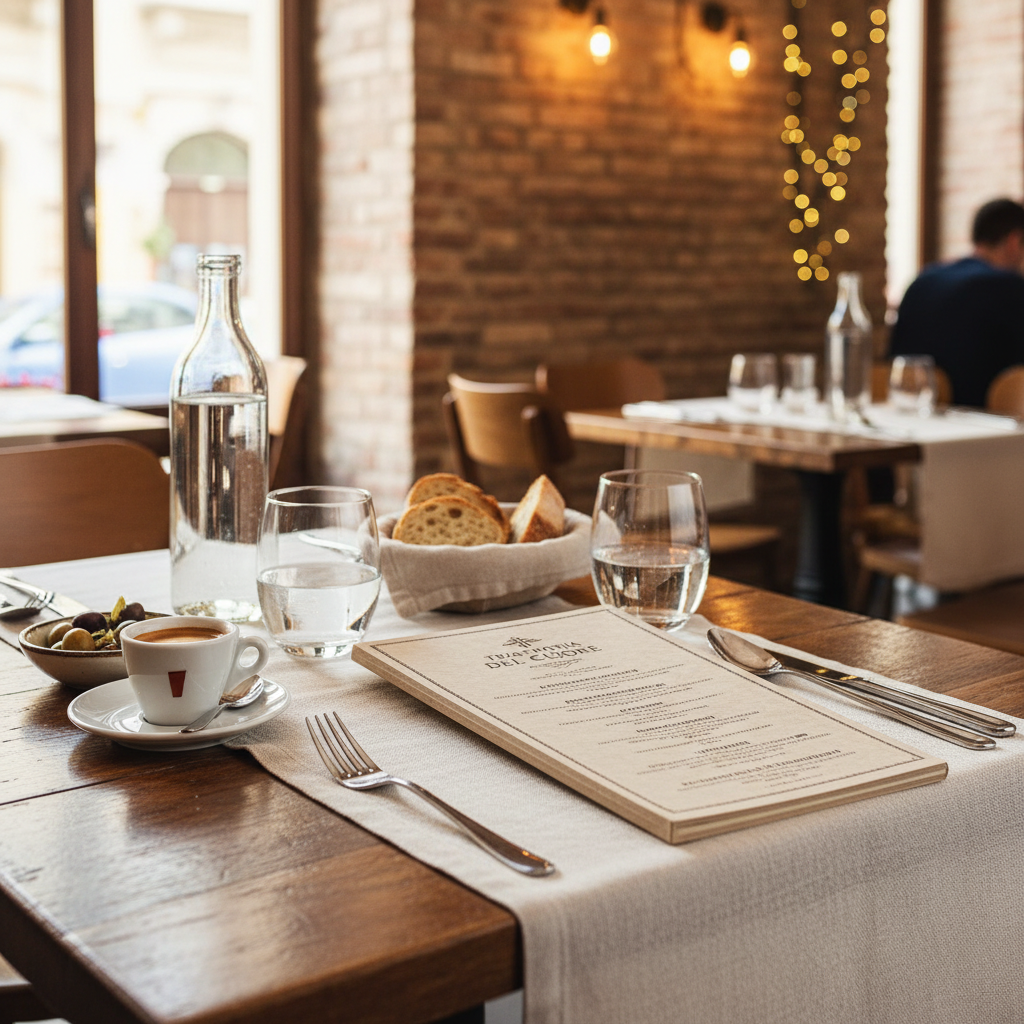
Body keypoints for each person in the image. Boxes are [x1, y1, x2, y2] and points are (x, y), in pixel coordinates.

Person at [889, 197, 1024, 407]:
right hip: (985, 423)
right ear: (1014, 241)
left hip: (909, 412)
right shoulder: (1010, 287)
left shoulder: (924, 279)